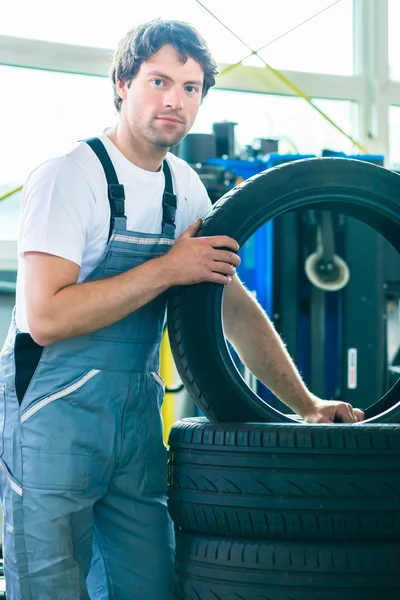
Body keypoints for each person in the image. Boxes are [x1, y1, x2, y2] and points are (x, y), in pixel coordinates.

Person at [0, 17, 365, 600]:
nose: (175, 101)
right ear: (123, 83)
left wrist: (307, 405)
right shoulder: (71, 176)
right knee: (49, 585)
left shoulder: (185, 187)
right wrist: (168, 268)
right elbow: (45, 318)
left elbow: (232, 306)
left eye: (191, 88)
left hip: (135, 419)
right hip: (50, 418)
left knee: (149, 584)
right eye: (159, 81)